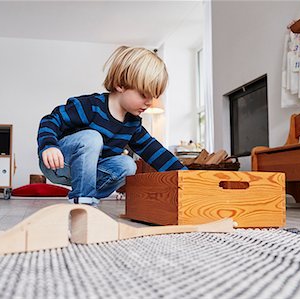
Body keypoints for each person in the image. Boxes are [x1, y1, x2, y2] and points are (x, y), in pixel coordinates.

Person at [37, 46, 187, 207]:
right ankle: (82, 200)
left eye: (153, 96)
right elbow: (51, 120)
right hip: (58, 163)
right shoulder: (90, 106)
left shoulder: (132, 124)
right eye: (144, 95)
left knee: (128, 165)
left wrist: (186, 176)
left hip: (90, 173)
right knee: (92, 138)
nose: (149, 102)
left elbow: (154, 151)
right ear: (120, 85)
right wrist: (49, 146)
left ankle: (89, 196)